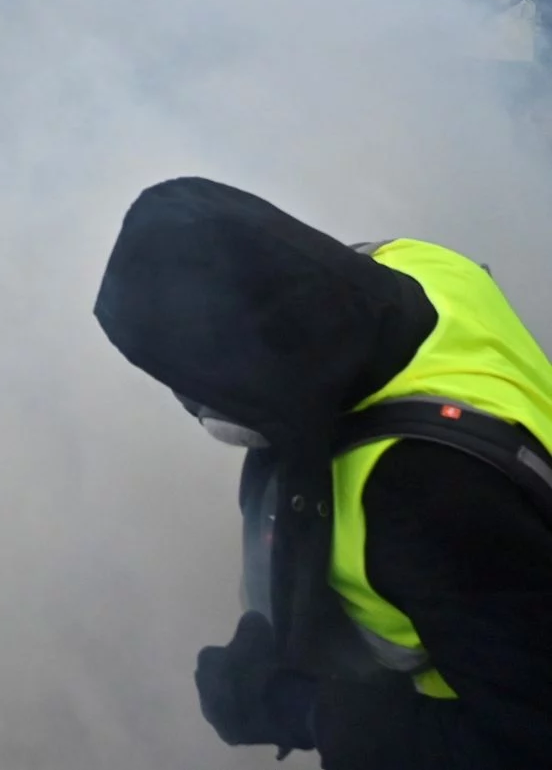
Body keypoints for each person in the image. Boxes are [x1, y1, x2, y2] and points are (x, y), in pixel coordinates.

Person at [94, 177, 552, 765]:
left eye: (193, 382)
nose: (191, 403)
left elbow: (527, 744)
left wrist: (301, 709)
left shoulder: (419, 503)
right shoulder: (425, 270)